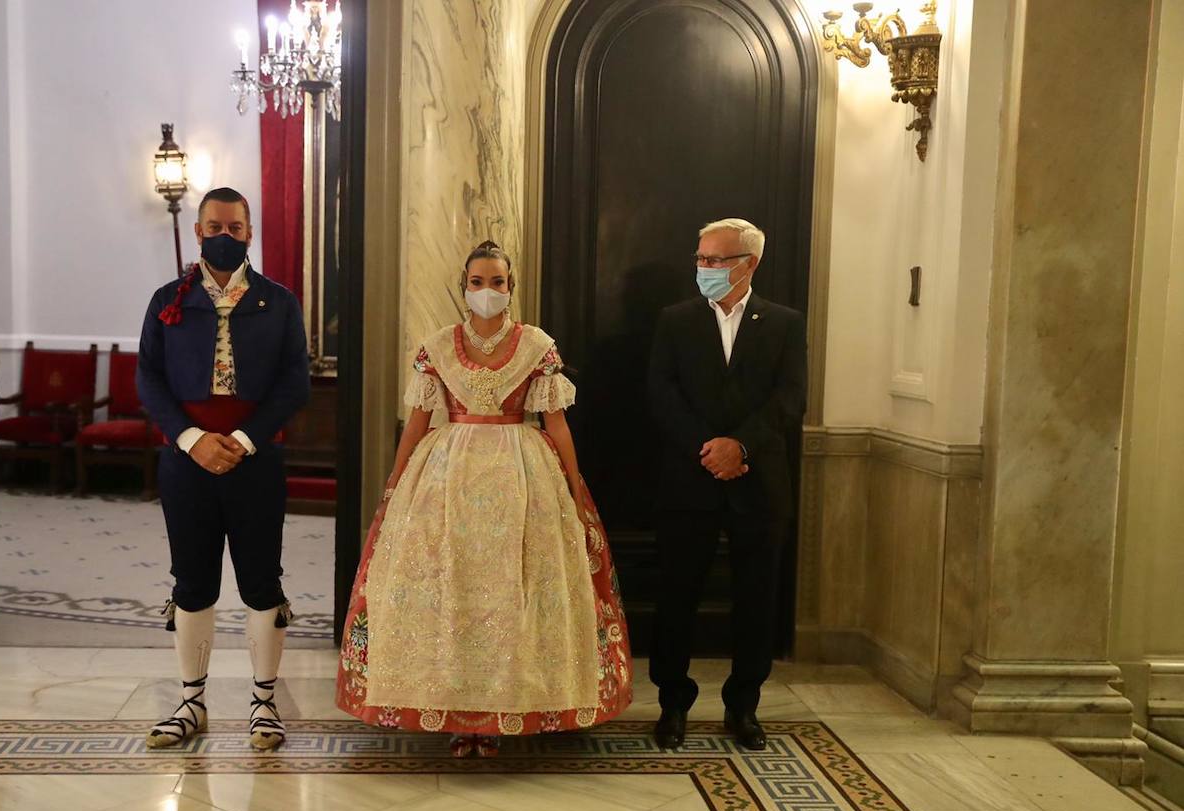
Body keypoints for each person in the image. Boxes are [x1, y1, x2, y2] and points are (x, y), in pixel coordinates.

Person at [336, 240, 633, 757]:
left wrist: (572, 482)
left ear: (511, 287)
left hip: (523, 474)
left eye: (497, 282)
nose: (487, 291)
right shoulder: (437, 346)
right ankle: (455, 712)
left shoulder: (537, 345)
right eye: (477, 282)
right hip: (446, 476)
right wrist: (396, 482)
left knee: (512, 592)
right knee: (453, 587)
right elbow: (418, 422)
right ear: (464, 288)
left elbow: (556, 423)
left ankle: (504, 710)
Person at [137, 186, 310, 751]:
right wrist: (191, 440)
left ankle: (264, 705)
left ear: (250, 233)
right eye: (215, 226)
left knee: (262, 582)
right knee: (192, 583)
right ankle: (191, 703)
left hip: (255, 460)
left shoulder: (278, 302)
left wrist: (239, 439)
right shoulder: (169, 300)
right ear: (198, 231)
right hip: (186, 463)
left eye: (235, 228)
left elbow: (293, 382)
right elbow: (149, 379)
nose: (224, 237)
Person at [646, 217, 806, 751]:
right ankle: (672, 704)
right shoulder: (675, 320)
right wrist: (710, 450)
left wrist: (743, 447)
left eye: (715, 260)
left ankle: (744, 706)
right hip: (687, 481)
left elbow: (789, 398)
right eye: (700, 259)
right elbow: (660, 393)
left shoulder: (784, 323)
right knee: (676, 597)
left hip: (759, 483)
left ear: (749, 264)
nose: (704, 269)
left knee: (757, 599)